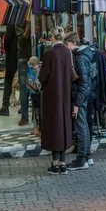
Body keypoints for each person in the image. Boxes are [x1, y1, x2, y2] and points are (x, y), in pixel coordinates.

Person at [39, 27, 73, 175]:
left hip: (52, 96)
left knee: (53, 127)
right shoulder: (68, 53)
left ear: (52, 38)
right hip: (66, 95)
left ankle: (55, 163)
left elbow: (42, 77)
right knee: (64, 126)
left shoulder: (49, 54)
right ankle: (63, 162)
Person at [64, 32, 93, 171]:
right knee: (83, 125)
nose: (66, 47)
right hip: (82, 96)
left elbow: (83, 83)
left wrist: (77, 103)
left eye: (67, 44)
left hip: (79, 97)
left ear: (74, 43)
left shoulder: (80, 58)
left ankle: (82, 159)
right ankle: (86, 156)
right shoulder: (82, 56)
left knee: (80, 126)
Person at [0, 25, 18, 117]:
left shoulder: (12, 20)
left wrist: (5, 48)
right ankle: (24, 108)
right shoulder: (25, 16)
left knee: (8, 78)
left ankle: (5, 105)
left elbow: (8, 37)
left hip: (13, 53)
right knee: (25, 78)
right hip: (24, 51)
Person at [15, 21, 32, 127]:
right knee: (24, 89)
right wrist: (29, 26)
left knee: (35, 88)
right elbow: (22, 38)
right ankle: (24, 116)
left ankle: (35, 115)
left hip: (33, 56)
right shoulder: (18, 21)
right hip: (24, 58)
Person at [27, 56, 41, 136]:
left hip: (37, 94)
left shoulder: (38, 71)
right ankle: (36, 127)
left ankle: (38, 128)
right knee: (35, 112)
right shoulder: (31, 71)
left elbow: (37, 83)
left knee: (38, 112)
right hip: (33, 93)